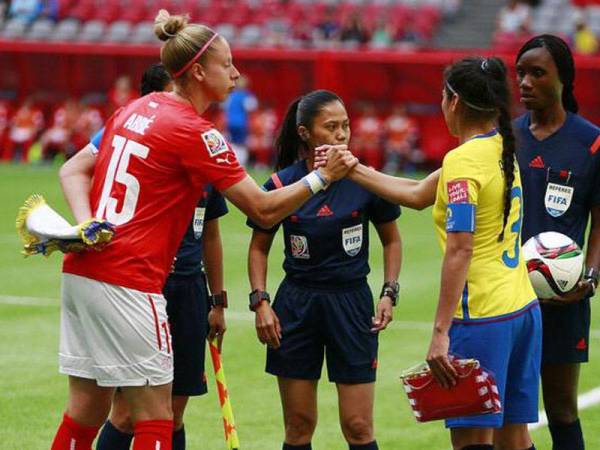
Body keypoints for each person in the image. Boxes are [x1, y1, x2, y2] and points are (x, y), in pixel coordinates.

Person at [52, 10, 355, 450]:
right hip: (131, 280)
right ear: (197, 71)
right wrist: (321, 178)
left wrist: (86, 225)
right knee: (158, 415)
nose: (236, 72)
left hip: (82, 270)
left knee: (85, 409)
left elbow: (73, 169)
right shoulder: (197, 133)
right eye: (226, 64)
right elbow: (263, 209)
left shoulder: (133, 109)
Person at [324, 57, 541, 450]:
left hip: (481, 317)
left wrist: (440, 333)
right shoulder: (501, 145)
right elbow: (419, 194)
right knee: (515, 438)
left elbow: (460, 248)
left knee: (473, 442)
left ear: (453, 101)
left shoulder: (462, 161)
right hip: (522, 310)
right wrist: (353, 169)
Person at [62, 63, 220, 450]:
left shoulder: (172, 131)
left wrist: (218, 298)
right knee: (143, 413)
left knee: (155, 408)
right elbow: (262, 207)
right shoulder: (143, 124)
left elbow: (212, 229)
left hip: (177, 284)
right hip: (137, 279)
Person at [247, 90, 402, 450]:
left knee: (359, 426)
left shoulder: (368, 181)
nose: (341, 135)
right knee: (299, 426)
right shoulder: (282, 184)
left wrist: (389, 292)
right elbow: (259, 247)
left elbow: (392, 241)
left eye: (345, 126)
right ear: (305, 133)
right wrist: (261, 303)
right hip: (297, 306)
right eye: (330, 127)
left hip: (352, 303)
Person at [514, 34, 600, 450]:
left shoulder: (592, 143)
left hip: (566, 299)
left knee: (562, 409)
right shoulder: (505, 138)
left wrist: (591, 277)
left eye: (536, 73)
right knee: (509, 412)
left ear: (563, 78)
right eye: (520, 74)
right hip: (507, 297)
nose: (525, 82)